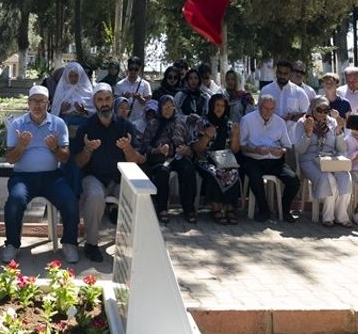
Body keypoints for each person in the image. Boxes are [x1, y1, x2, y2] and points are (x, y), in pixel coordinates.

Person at [1, 85, 79, 264]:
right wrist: (21, 145)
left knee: (70, 201)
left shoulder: (58, 124)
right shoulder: (17, 124)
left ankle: (69, 243)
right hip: (22, 177)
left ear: (48, 104)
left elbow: (65, 158)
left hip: (52, 176)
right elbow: (10, 159)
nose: (38, 105)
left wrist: (55, 148)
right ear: (28, 103)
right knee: (14, 201)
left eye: (42, 101)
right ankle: (12, 244)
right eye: (34, 101)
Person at [72, 83, 145, 262]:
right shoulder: (86, 127)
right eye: (100, 100)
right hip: (94, 177)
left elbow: (137, 160)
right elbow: (78, 162)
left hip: (121, 179)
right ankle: (91, 244)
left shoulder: (125, 126)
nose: (104, 103)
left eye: (107, 99)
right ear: (94, 103)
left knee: (138, 197)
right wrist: (88, 149)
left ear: (112, 100)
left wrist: (127, 148)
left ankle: (133, 245)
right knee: (95, 195)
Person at [237, 95, 300, 223]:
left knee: (293, 180)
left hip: (275, 160)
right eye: (265, 108)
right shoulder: (247, 120)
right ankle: (264, 209)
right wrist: (256, 150)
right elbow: (242, 147)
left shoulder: (279, 121)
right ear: (258, 106)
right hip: (254, 158)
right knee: (254, 176)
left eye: (271, 109)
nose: (268, 112)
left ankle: (284, 209)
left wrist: (281, 151)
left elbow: (287, 146)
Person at [139, 95, 199, 223]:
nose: (167, 110)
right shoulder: (153, 124)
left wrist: (186, 150)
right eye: (164, 107)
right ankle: (162, 208)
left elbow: (190, 144)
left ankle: (189, 208)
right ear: (159, 108)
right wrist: (158, 150)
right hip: (159, 158)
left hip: (178, 157)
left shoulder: (180, 123)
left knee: (188, 167)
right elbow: (145, 147)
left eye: (170, 107)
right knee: (162, 171)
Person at [296, 97, 352, 227]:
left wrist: (339, 132)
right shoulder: (303, 122)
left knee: (345, 176)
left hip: (330, 158)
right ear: (312, 108)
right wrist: (308, 133)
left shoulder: (332, 122)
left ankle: (341, 216)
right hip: (309, 159)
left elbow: (342, 148)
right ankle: (328, 217)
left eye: (326, 110)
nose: (322, 114)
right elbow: (300, 150)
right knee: (328, 178)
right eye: (319, 110)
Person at [193, 94, 241, 224]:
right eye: (217, 105)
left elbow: (235, 149)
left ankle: (230, 208)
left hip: (224, 157)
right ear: (212, 106)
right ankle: (216, 208)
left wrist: (236, 136)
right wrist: (206, 137)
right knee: (214, 172)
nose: (220, 109)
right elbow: (196, 148)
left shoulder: (229, 124)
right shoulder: (202, 122)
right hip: (205, 158)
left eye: (222, 106)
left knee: (233, 171)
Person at [258, 60, 310, 131]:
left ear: (290, 74)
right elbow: (258, 112)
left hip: (291, 137)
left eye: (285, 73)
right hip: (270, 136)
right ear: (276, 72)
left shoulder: (299, 92)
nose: (282, 76)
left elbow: (308, 113)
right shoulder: (266, 90)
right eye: (280, 73)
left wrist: (293, 116)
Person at [113, 56, 151, 128]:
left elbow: (149, 105)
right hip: (123, 121)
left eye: (136, 69)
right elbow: (115, 104)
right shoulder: (120, 84)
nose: (133, 71)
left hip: (140, 122)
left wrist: (140, 98)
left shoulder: (146, 85)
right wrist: (122, 99)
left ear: (140, 69)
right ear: (128, 68)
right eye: (131, 69)